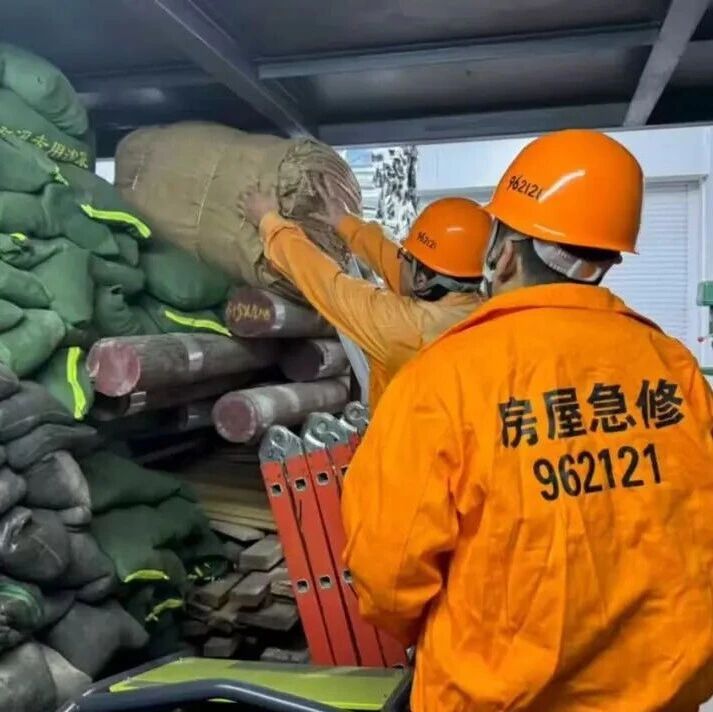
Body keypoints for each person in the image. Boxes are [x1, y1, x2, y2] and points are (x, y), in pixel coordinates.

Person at [342, 129, 713, 711]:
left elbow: (387, 577)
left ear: (505, 253)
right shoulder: (675, 369)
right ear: (603, 260)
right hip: (663, 694)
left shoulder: (441, 380)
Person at [242, 183, 492, 407]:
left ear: (422, 279)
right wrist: (344, 222)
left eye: (408, 257)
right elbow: (398, 266)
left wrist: (269, 223)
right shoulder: (476, 308)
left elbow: (327, 284)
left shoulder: (406, 329)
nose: (402, 259)